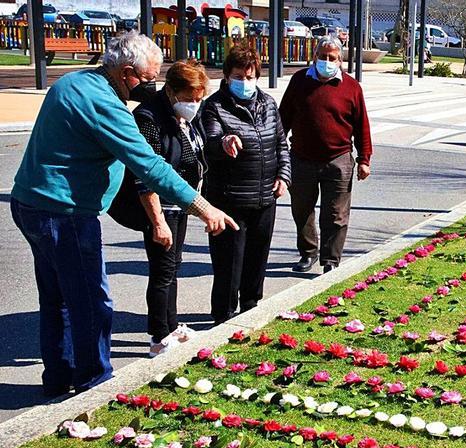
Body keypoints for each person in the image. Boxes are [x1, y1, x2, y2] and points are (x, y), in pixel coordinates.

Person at [10, 32, 236, 397]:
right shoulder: (104, 104)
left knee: (57, 298)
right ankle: (94, 384)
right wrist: (203, 207)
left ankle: (58, 380)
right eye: (148, 80)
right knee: (92, 302)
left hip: (32, 203)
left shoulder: (73, 81)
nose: (152, 87)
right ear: (127, 72)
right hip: (63, 213)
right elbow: (150, 166)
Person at [201, 44, 291, 325]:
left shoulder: (268, 104)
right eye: (238, 76)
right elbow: (210, 141)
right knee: (229, 263)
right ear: (227, 76)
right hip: (229, 199)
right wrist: (224, 142)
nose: (245, 82)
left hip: (265, 197)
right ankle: (223, 315)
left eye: (250, 76)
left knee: (257, 258)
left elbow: (281, 144)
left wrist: (284, 176)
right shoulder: (214, 107)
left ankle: (251, 306)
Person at [133, 59, 210, 357]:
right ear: (173, 91)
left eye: (199, 99)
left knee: (173, 266)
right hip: (159, 206)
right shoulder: (149, 118)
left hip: (179, 203)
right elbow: (145, 175)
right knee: (162, 271)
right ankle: (158, 335)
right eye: (191, 98)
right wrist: (157, 221)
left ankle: (172, 324)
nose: (195, 104)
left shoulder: (183, 116)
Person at [279, 36, 372, 274]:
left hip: (338, 160)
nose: (327, 61)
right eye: (323, 56)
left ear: (340, 60)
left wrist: (364, 159)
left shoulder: (352, 87)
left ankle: (330, 259)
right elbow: (283, 120)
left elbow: (362, 126)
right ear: (314, 57)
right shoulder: (299, 81)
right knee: (302, 209)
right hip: (301, 158)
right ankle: (308, 253)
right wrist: (276, 155)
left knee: (336, 214)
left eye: (332, 58)